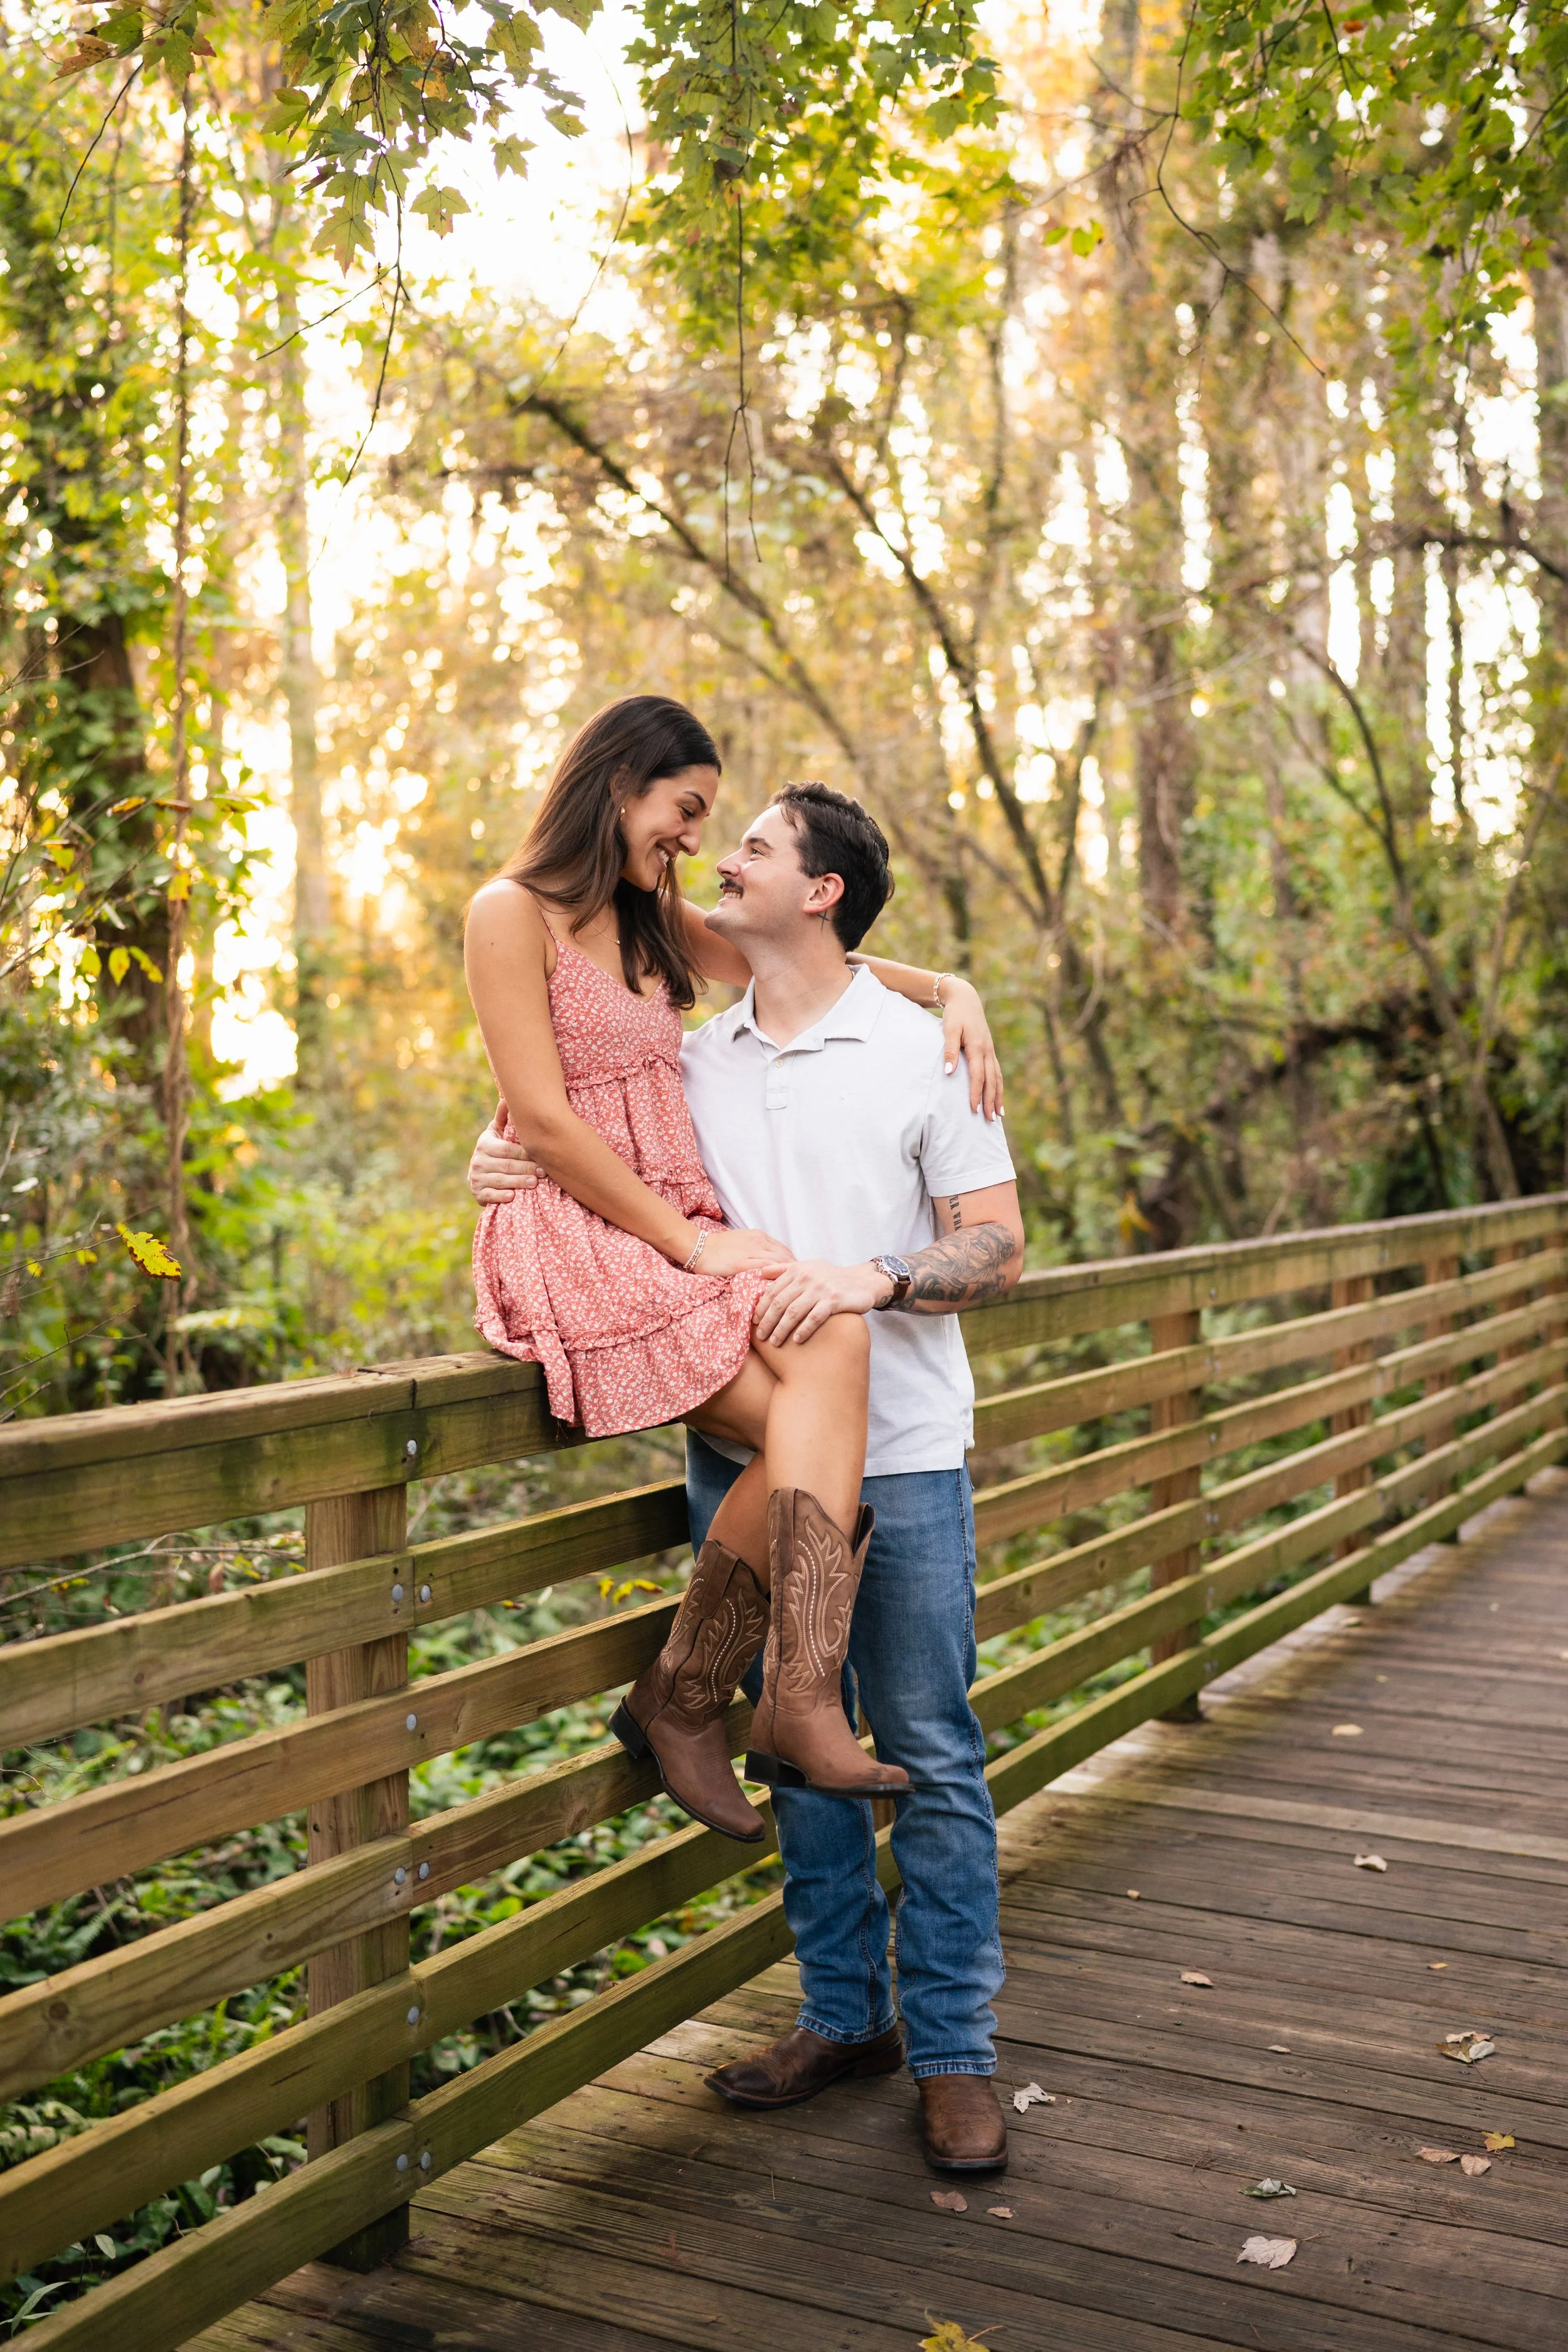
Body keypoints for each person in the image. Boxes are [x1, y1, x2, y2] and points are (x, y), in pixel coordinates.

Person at [469, 770, 1025, 2175]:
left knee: (933, 1759)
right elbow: (584, 1130)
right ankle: (844, 2020)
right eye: (704, 825)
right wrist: (501, 1167)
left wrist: (879, 1274)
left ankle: (954, 2055)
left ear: (818, 888)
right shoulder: (690, 1052)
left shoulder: (917, 1052)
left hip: (904, 1454)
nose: (715, 854)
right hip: (743, 1450)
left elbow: (996, 1245)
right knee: (800, 1756)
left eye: (751, 842)